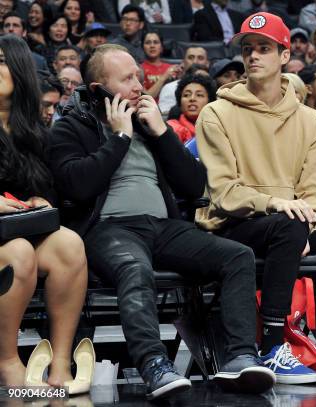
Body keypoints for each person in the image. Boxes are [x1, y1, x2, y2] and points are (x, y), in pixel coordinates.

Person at [48, 43, 275, 399]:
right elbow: (77, 185)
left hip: (164, 228)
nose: (140, 85)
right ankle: (154, 364)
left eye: (139, 76)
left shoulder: (150, 127)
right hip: (108, 230)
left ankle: (240, 357)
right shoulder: (70, 128)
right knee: (134, 269)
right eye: (128, 79)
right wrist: (120, 137)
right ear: (98, 90)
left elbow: (193, 185)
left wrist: (162, 134)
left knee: (238, 256)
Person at [196, 12, 316, 383]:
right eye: (248, 49)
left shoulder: (312, 121)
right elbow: (224, 191)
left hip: (295, 225)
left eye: (264, 49)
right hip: (235, 227)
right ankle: (271, 346)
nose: (253, 57)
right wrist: (278, 205)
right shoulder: (215, 113)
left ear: (284, 56)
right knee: (288, 222)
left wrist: (305, 221)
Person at [0, 35, 88, 391]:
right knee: (19, 253)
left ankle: (60, 363)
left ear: (19, 70)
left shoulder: (34, 130)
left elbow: (48, 187)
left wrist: (38, 200)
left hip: (16, 229)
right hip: (9, 244)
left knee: (69, 244)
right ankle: (7, 361)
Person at [158, 45, 208, 115]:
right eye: (190, 57)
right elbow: (165, 117)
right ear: (183, 63)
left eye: (200, 58)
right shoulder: (170, 88)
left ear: (208, 63)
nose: (195, 61)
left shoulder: (216, 87)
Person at [167, 74, 216, 143]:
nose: (192, 99)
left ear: (210, 101)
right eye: (186, 95)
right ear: (180, 102)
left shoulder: (219, 128)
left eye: (199, 95)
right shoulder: (171, 129)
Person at [141, 32, 177, 100]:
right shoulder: (139, 69)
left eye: (156, 42)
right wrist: (164, 77)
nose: (152, 46)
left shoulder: (171, 68)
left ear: (161, 47)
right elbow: (147, 97)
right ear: (143, 47)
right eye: (148, 42)